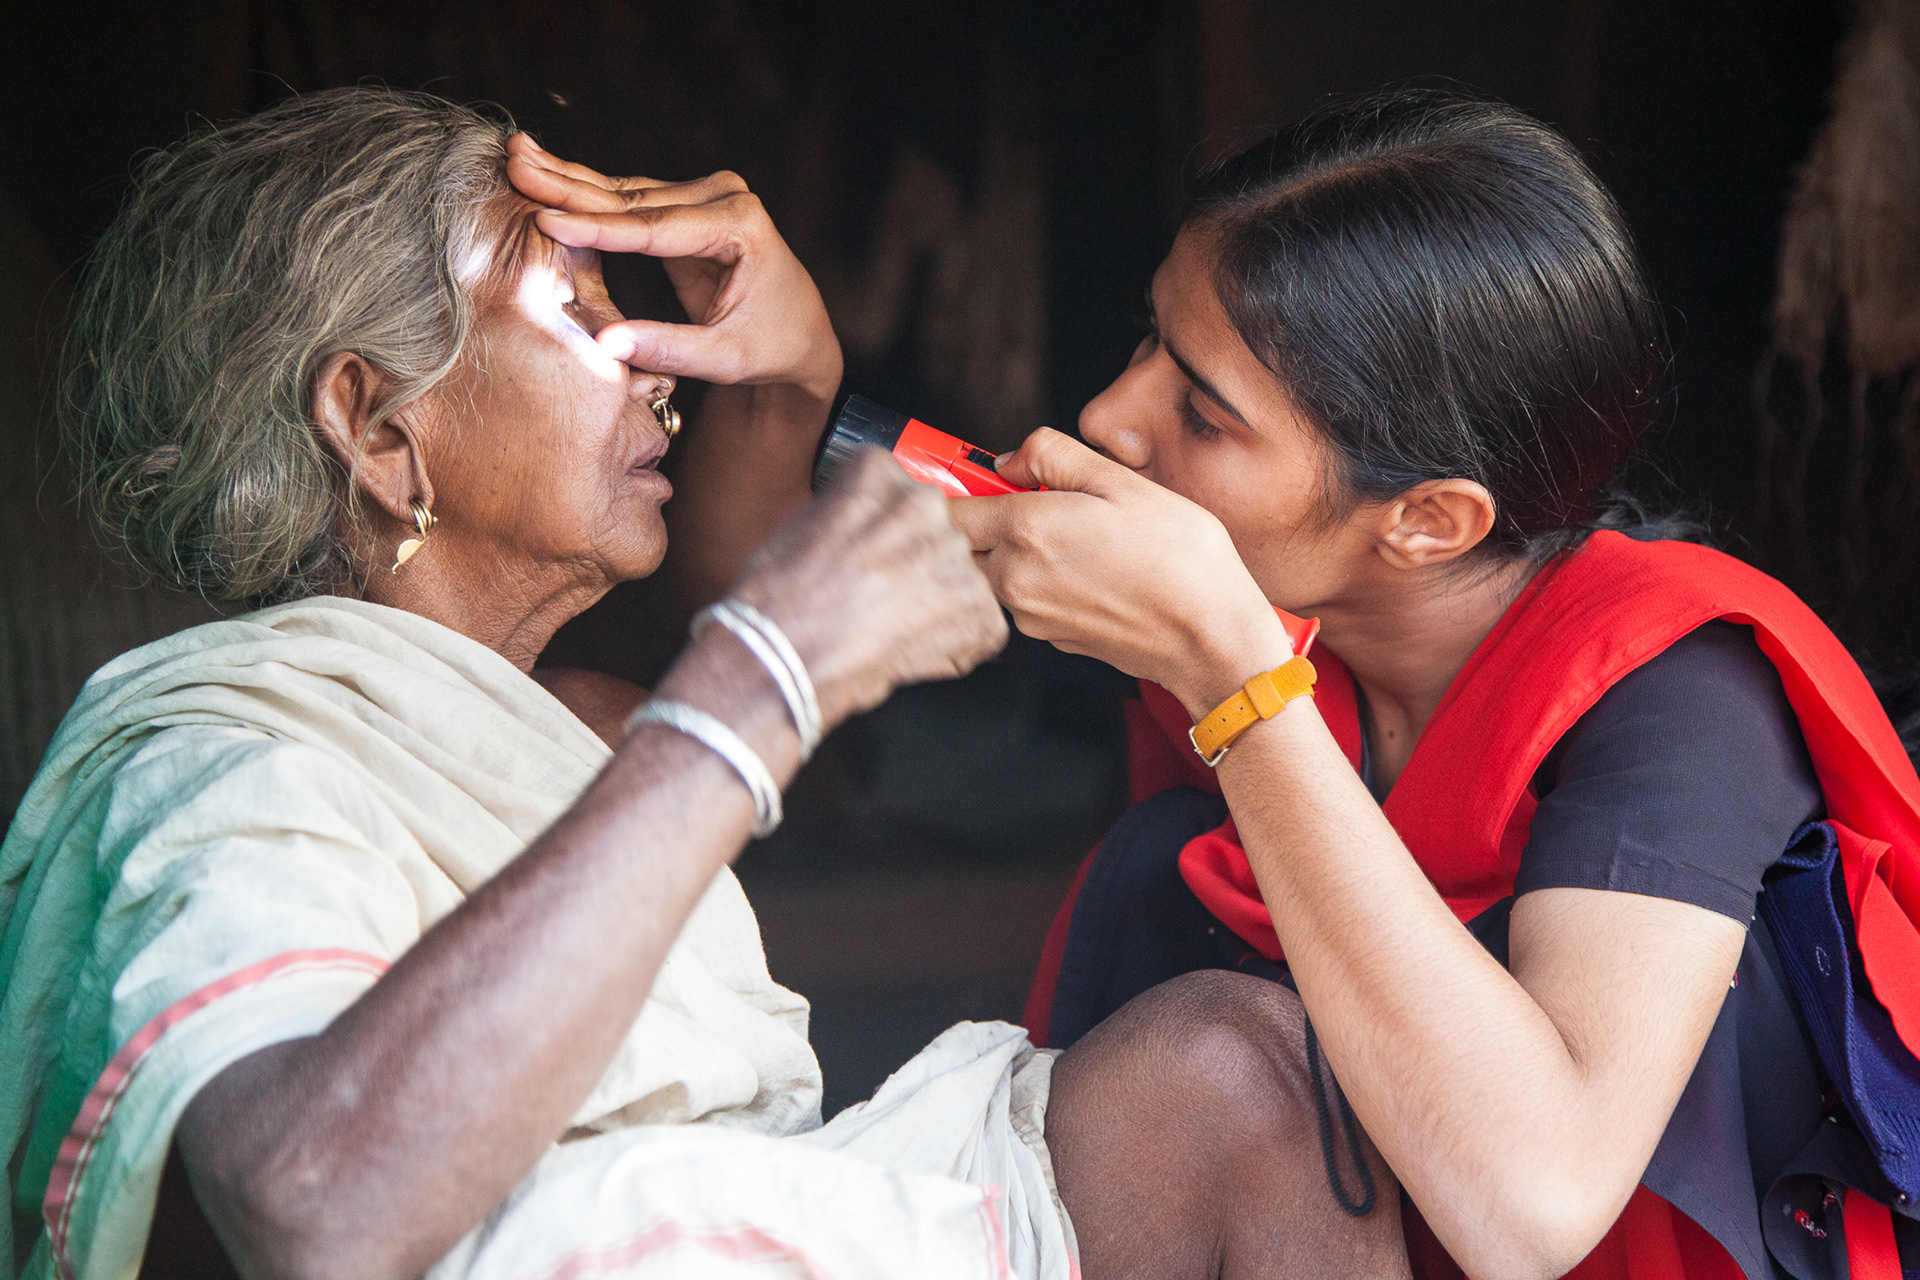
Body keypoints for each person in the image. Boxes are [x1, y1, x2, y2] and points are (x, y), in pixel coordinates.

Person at [946, 92, 1920, 1280]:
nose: (1109, 416)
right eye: (1151, 337)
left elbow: (1534, 1202)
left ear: (1426, 520)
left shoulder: (1677, 698)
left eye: (1203, 411)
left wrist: (1236, 684)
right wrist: (797, 390)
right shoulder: (1311, 633)